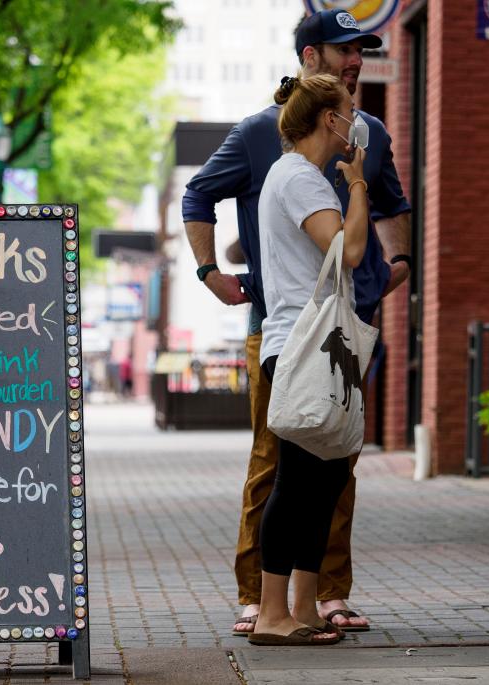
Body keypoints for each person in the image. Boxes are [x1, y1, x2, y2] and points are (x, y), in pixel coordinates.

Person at [182, 8, 411, 636]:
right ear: (311, 60)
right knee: (282, 466)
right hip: (292, 333)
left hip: (346, 328)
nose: (355, 60)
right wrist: (210, 273)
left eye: (361, 50)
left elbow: (393, 209)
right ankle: (264, 601)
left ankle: (319, 598)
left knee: (331, 467)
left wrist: (401, 262)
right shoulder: (270, 146)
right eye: (343, 51)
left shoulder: (368, 135)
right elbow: (200, 193)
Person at [250, 72, 366, 646]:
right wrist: (360, 185)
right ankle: (272, 613)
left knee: (324, 479)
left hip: (314, 344)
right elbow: (351, 249)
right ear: (329, 119)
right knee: (297, 481)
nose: (355, 120)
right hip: (302, 345)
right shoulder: (299, 178)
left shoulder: (298, 176)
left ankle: (303, 606)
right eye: (349, 110)